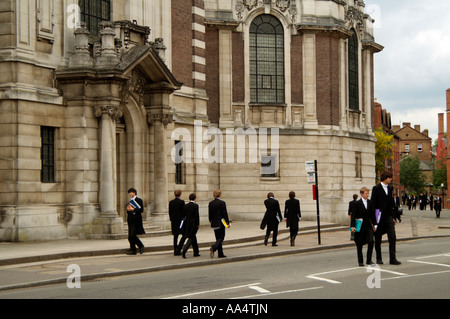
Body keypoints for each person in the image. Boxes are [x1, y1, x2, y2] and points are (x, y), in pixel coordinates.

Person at [371, 171, 401, 265]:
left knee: (392, 237)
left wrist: (393, 217)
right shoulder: (376, 188)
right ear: (385, 178)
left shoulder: (389, 188)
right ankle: (379, 258)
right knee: (378, 238)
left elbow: (391, 204)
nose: (391, 179)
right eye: (389, 178)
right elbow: (373, 203)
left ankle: (393, 258)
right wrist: (374, 220)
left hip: (388, 217)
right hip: (379, 216)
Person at [351, 187, 376, 266]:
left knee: (371, 241)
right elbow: (353, 216)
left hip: (368, 225)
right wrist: (352, 226)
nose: (367, 195)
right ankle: (360, 261)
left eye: (368, 193)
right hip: (359, 225)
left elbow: (373, 215)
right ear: (361, 194)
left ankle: (369, 260)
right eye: (366, 193)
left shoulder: (370, 202)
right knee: (359, 244)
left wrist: (375, 224)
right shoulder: (357, 203)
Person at [209, 190, 230, 258]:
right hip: (220, 222)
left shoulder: (211, 203)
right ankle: (214, 247)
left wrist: (211, 221)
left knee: (218, 238)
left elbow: (210, 214)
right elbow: (224, 214)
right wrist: (227, 223)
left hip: (214, 223)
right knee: (221, 237)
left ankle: (220, 253)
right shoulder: (222, 203)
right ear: (220, 195)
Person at [178, 193, 200, 258]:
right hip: (193, 224)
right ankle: (184, 250)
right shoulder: (195, 206)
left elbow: (183, 215)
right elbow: (196, 216)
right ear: (195, 198)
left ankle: (196, 252)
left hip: (187, 223)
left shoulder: (185, 206)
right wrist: (198, 224)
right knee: (191, 237)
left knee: (193, 238)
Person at [126, 188, 145, 255]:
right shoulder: (130, 201)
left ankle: (141, 246)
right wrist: (128, 209)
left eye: (131, 192)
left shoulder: (139, 200)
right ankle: (133, 250)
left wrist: (133, 209)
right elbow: (128, 212)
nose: (130, 194)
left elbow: (141, 210)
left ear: (134, 193)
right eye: (129, 193)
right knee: (130, 236)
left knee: (132, 235)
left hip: (136, 220)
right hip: (130, 220)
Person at [169, 190, 185, 255]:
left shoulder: (171, 202)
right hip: (180, 221)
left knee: (175, 236)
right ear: (180, 195)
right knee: (183, 234)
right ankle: (179, 248)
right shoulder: (182, 202)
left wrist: (171, 219)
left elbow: (170, 212)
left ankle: (175, 249)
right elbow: (183, 212)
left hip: (174, 221)